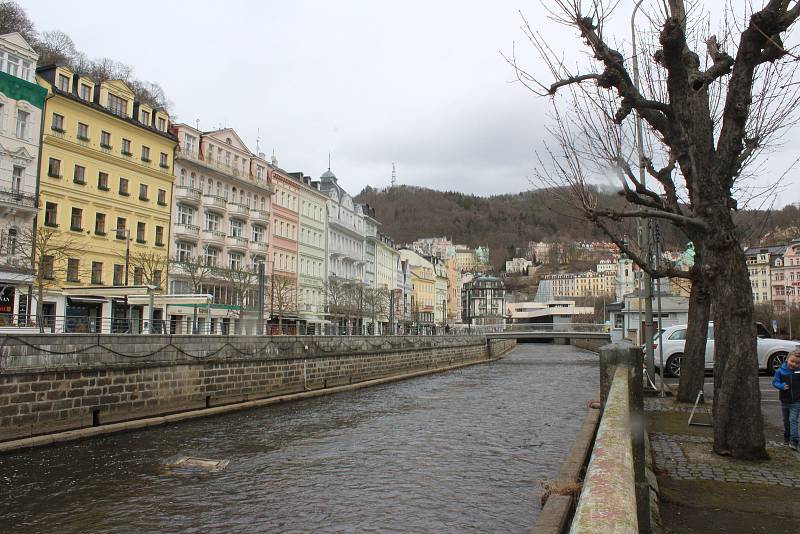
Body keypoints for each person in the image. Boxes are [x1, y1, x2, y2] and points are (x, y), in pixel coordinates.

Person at [772, 350, 800, 451]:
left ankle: (794, 440)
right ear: (787, 359)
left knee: (793, 420)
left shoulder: (798, 371)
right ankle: (786, 437)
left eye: (797, 363)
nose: (794, 364)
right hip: (785, 401)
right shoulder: (780, 371)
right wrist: (781, 386)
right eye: (792, 361)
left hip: (796, 401)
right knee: (786, 420)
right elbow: (775, 382)